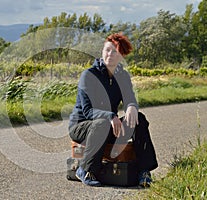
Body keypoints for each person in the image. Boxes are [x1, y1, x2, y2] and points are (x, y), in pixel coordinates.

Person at [68, 33, 158, 187]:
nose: (110, 54)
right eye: (107, 50)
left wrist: (131, 107)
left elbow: (130, 98)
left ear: (121, 55)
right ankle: (85, 169)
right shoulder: (89, 75)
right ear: (102, 51)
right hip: (82, 125)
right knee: (102, 123)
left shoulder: (123, 76)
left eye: (114, 51)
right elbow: (88, 111)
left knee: (139, 119)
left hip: (108, 127)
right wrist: (110, 116)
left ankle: (144, 171)